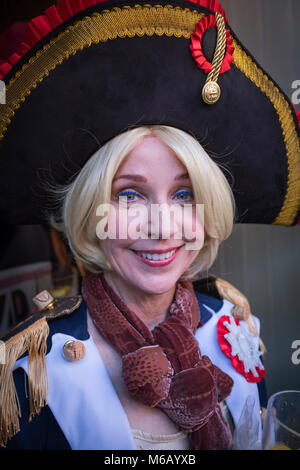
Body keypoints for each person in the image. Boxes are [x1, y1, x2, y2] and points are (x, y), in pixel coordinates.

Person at [0, 0, 299, 451]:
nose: (162, 226)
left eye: (184, 194)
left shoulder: (237, 330)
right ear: (90, 211)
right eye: (129, 195)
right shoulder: (33, 376)